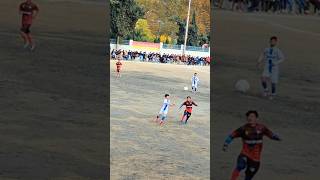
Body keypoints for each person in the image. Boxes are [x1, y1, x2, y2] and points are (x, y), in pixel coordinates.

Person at [223, 110, 281, 180]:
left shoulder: (262, 128)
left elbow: (271, 134)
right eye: (248, 116)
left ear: (256, 118)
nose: (250, 118)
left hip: (256, 157)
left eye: (252, 116)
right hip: (245, 153)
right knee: (240, 165)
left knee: (249, 176)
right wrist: (226, 144)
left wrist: (277, 137)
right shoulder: (243, 129)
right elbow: (232, 136)